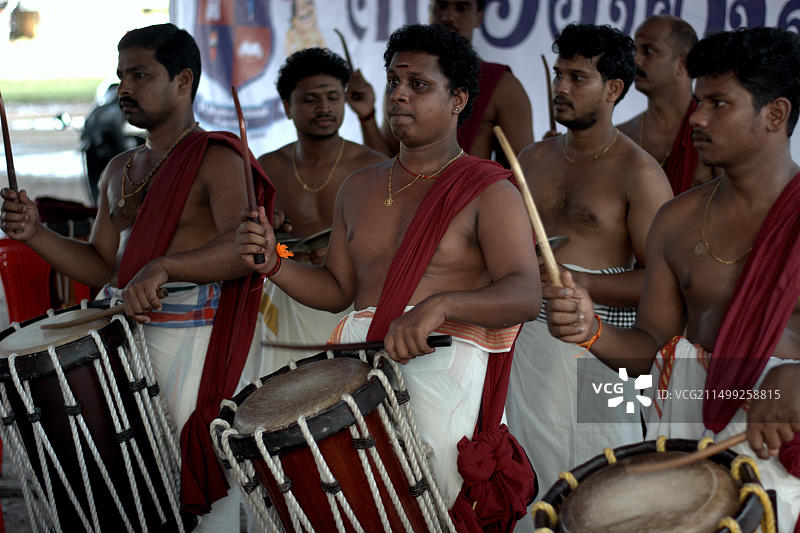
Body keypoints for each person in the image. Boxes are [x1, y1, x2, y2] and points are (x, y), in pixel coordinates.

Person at [238, 23, 539, 532]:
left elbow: (525, 293)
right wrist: (275, 264)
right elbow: (338, 292)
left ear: (458, 99)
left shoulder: (488, 190)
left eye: (418, 85)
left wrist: (440, 305)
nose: (398, 94)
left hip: (441, 367)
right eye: (393, 81)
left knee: (429, 516)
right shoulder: (357, 186)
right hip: (358, 373)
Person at [0, 23, 273, 532]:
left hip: (198, 342)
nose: (124, 88)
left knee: (201, 494)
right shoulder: (119, 168)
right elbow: (104, 267)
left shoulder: (217, 158)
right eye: (121, 76)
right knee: (139, 491)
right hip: (124, 343)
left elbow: (244, 250)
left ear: (183, 81)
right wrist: (35, 233)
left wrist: (167, 266)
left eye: (141, 75)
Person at [544, 27, 800, 532]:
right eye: (698, 101)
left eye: (718, 104)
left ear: (775, 114)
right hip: (686, 445)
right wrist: (591, 330)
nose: (697, 118)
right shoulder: (677, 220)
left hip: (781, 450)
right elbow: (650, 350)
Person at [504, 23, 674, 525]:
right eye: (559, 74)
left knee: (601, 499)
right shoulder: (532, 159)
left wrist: (580, 284)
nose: (560, 87)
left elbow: (663, 283)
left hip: (600, 357)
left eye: (578, 78)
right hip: (526, 353)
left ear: (614, 89)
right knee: (527, 490)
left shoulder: (639, 173)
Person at [252, 47, 385, 376]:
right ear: (287, 107)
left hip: (352, 306)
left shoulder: (372, 166)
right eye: (310, 99)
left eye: (333, 97)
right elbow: (254, 242)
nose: (324, 107)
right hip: (287, 295)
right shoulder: (266, 167)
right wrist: (279, 241)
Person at [346, 0, 533, 162]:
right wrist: (366, 116)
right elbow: (388, 167)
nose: (448, 16)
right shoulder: (402, 80)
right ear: (430, 10)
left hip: (471, 200)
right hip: (407, 200)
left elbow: (521, 174)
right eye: (441, 6)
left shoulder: (502, 85)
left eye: (461, 7)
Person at [617, 15, 714, 194]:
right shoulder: (620, 136)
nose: (636, 60)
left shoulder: (714, 135)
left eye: (648, 51)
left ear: (682, 63)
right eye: (635, 50)